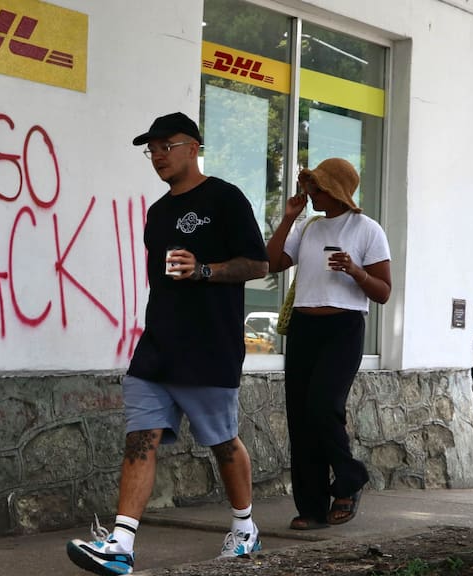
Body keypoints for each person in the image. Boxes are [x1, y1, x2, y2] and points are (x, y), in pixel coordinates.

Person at [66, 112, 269, 575]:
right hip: (157, 345)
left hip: (209, 346)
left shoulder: (225, 197)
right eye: (151, 149)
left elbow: (258, 265)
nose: (157, 156)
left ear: (194, 147)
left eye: (166, 146)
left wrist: (204, 270)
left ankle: (244, 528)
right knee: (140, 437)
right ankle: (120, 544)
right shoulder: (157, 213)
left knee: (222, 442)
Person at [265, 157, 392, 531]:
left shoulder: (367, 230)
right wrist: (289, 217)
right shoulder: (307, 227)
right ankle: (311, 507)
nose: (309, 193)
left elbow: (383, 292)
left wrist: (355, 271)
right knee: (300, 418)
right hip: (305, 328)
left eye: (315, 187)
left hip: (343, 328)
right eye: (309, 186)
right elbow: (273, 262)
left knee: (323, 406)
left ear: (334, 190)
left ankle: (350, 480)